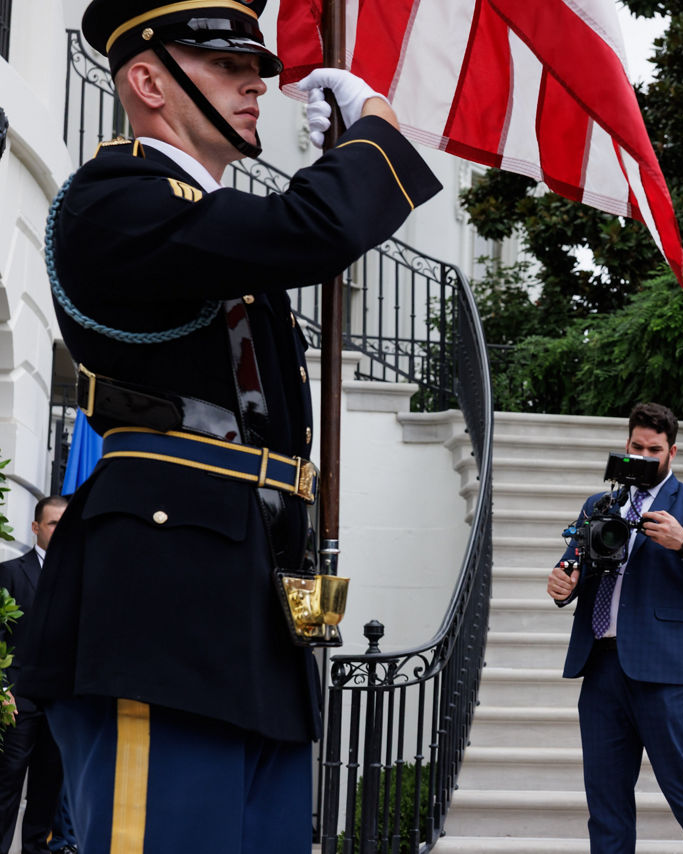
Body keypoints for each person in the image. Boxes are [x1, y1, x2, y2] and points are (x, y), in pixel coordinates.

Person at [16, 1, 443, 851]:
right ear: (147, 81)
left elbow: (289, 243)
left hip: (253, 588)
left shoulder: (204, 220)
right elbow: (309, 231)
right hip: (164, 599)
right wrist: (375, 133)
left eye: (256, 67)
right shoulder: (116, 201)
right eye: (224, 67)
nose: (256, 83)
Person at [547, 403, 683, 853]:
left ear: (672, 452)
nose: (644, 456)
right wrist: (562, 584)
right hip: (601, 667)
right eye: (637, 447)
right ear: (626, 446)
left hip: (664, 671)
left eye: (654, 449)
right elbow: (574, 568)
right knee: (605, 802)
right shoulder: (599, 504)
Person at [0, 496, 71, 854]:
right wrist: (1, 690)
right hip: (18, 702)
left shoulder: (78, 579)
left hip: (59, 706)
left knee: (47, 793)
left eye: (65, 523)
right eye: (54, 523)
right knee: (6, 789)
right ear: (35, 527)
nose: (60, 530)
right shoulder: (10, 572)